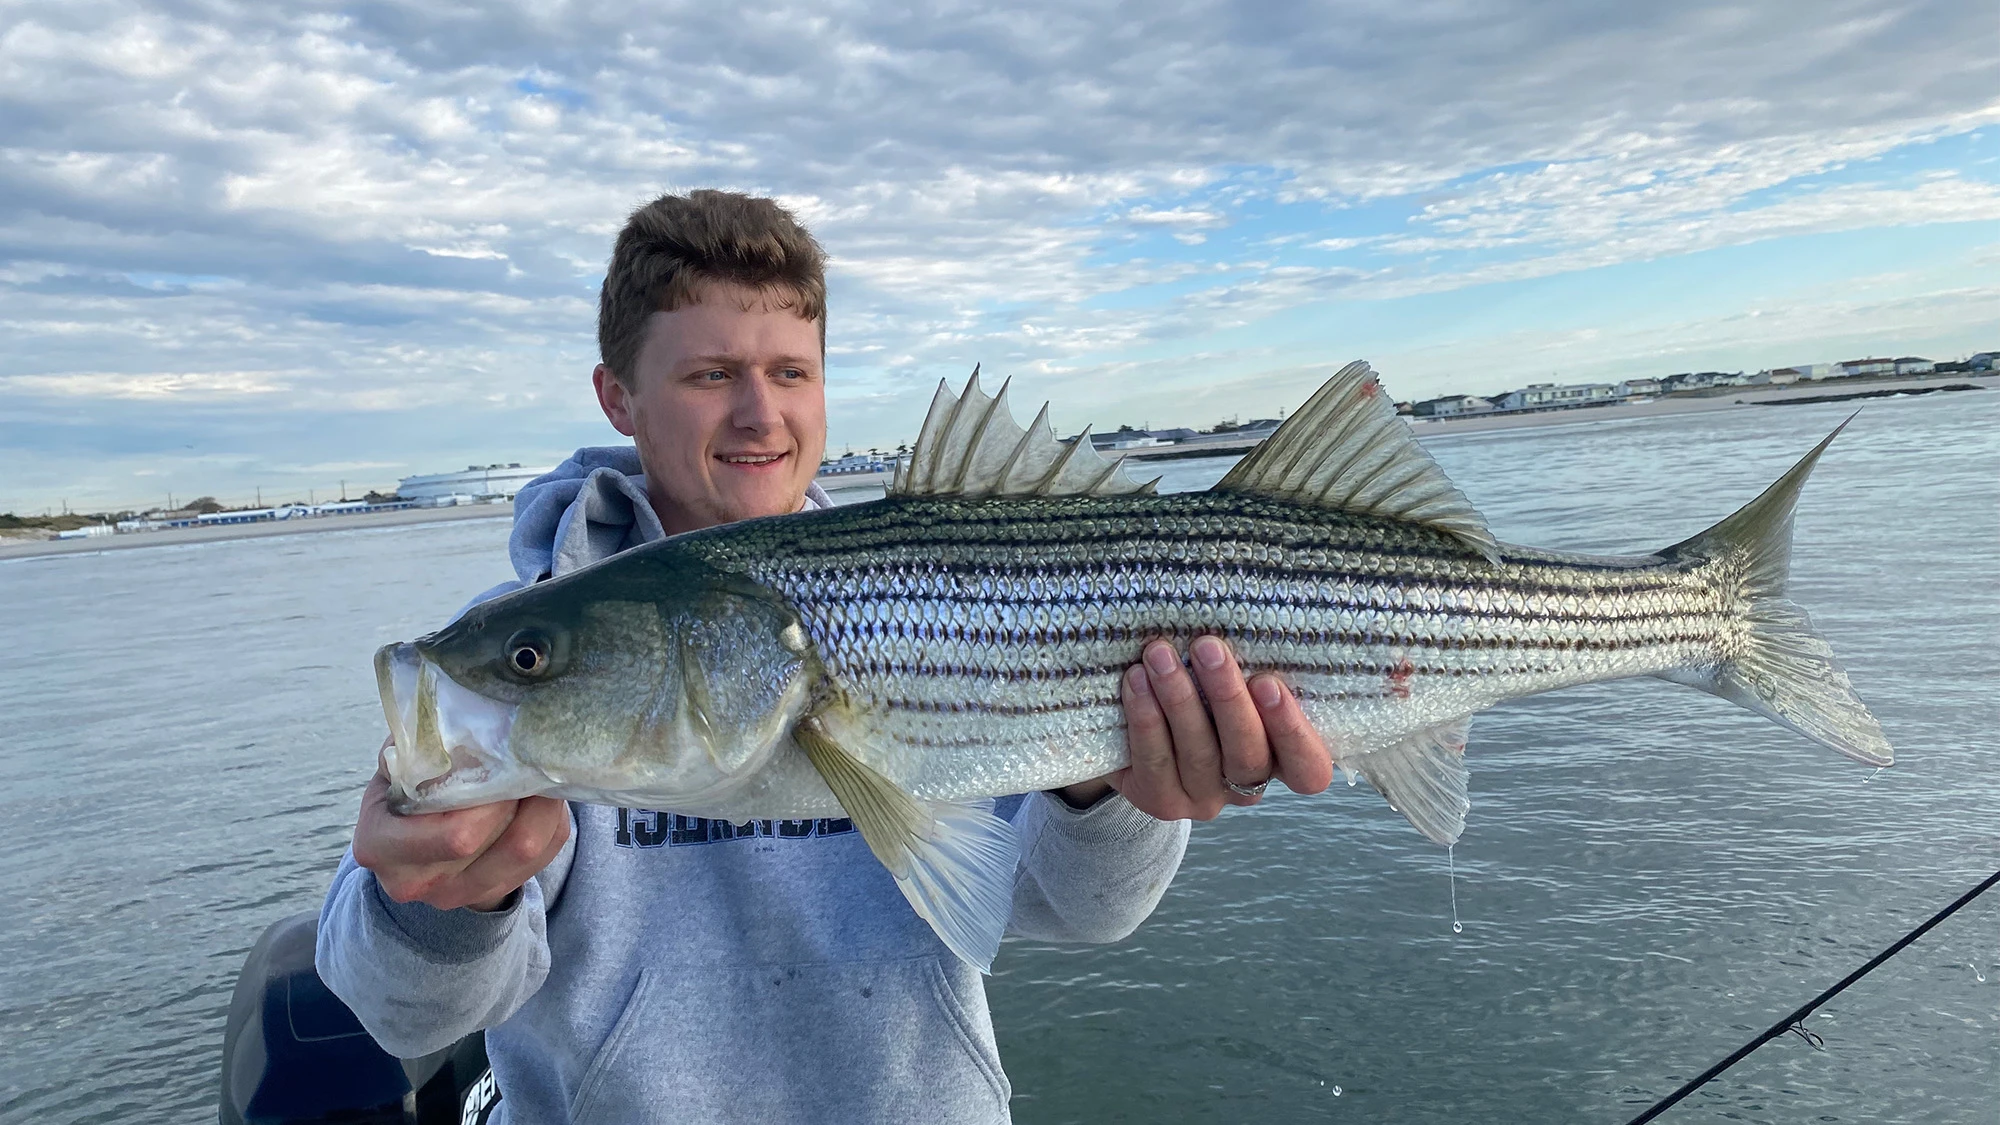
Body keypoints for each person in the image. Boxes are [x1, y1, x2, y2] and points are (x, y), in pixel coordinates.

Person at [317, 189, 1333, 1123]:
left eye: (789, 373)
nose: (761, 414)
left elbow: (1073, 911)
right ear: (618, 397)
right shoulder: (531, 644)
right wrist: (443, 905)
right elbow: (403, 1019)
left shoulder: (932, 582)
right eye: (711, 374)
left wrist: (1110, 796)